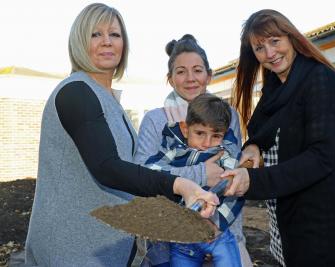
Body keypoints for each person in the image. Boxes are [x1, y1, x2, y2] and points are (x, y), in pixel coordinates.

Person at [23, 4, 218, 267]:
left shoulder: (108, 99)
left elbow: (136, 171)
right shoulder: (76, 93)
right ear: (79, 40)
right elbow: (108, 168)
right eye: (95, 34)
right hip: (72, 249)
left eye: (114, 34)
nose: (106, 42)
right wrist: (181, 185)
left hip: (104, 244)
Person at [222, 9, 335, 267]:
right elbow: (261, 128)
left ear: (291, 37)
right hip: (286, 216)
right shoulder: (275, 86)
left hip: (321, 220)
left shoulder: (320, 80)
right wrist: (253, 146)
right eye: (259, 48)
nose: (270, 54)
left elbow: (321, 158)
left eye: (275, 41)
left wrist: (252, 180)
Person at [133, 34, 252, 266]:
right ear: (170, 79)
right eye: (181, 71)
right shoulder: (157, 120)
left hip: (222, 233)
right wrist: (199, 173)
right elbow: (141, 174)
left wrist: (219, 229)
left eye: (197, 70)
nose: (190, 79)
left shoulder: (227, 115)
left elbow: (232, 178)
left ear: (209, 75)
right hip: (169, 240)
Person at [144, 93, 243, 267]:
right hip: (181, 235)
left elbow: (231, 190)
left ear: (225, 133)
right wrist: (196, 173)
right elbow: (150, 172)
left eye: (216, 135)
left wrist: (216, 224)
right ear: (184, 128)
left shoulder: (227, 153)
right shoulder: (174, 149)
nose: (207, 143)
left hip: (215, 232)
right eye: (199, 133)